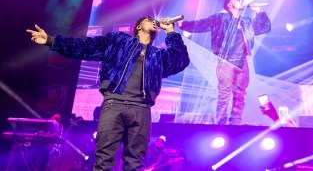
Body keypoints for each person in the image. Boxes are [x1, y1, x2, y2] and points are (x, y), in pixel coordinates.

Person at [26, 15, 190, 171]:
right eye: (149, 20)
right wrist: (51, 40)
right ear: (138, 27)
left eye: (155, 21)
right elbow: (85, 47)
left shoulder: (158, 55)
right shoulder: (118, 41)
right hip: (114, 104)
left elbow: (181, 59)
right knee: (104, 160)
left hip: (142, 109)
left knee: (134, 163)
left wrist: (171, 31)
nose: (154, 22)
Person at [178, 0, 271, 125]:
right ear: (229, 5)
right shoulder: (220, 19)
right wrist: (184, 25)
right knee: (224, 94)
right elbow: (201, 24)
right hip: (225, 61)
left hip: (242, 62)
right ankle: (221, 124)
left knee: (240, 94)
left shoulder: (247, 22)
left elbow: (265, 28)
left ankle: (235, 122)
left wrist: (259, 11)